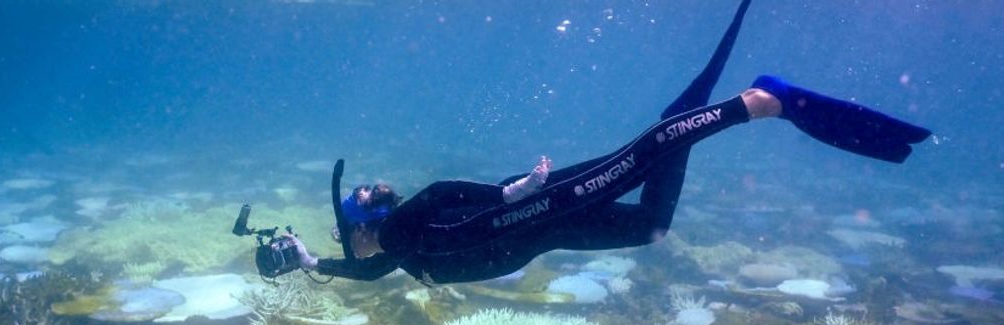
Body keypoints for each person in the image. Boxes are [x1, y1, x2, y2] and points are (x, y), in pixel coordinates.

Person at [285, 0, 929, 286]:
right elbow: (367, 273)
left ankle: (761, 101)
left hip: (542, 207)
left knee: (635, 158)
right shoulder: (395, 249)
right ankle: (694, 112)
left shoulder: (401, 231)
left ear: (365, 222)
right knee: (653, 226)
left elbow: (445, 193)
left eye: (349, 231)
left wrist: (512, 190)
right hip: (550, 228)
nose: (354, 243)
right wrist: (311, 263)